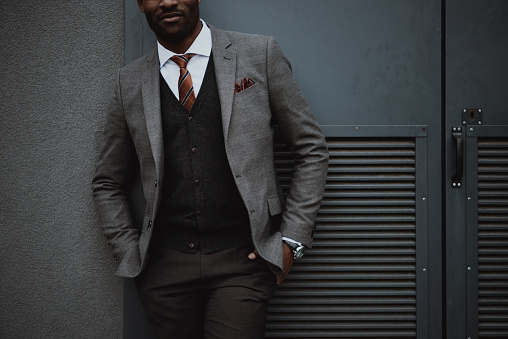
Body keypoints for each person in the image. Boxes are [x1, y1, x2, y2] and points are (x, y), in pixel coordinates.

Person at [92, 0, 329, 337]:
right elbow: (107, 181)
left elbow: (311, 148)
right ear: (142, 4)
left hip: (244, 261)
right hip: (164, 268)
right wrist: (130, 252)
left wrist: (291, 241)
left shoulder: (259, 53)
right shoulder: (128, 82)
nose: (168, 1)